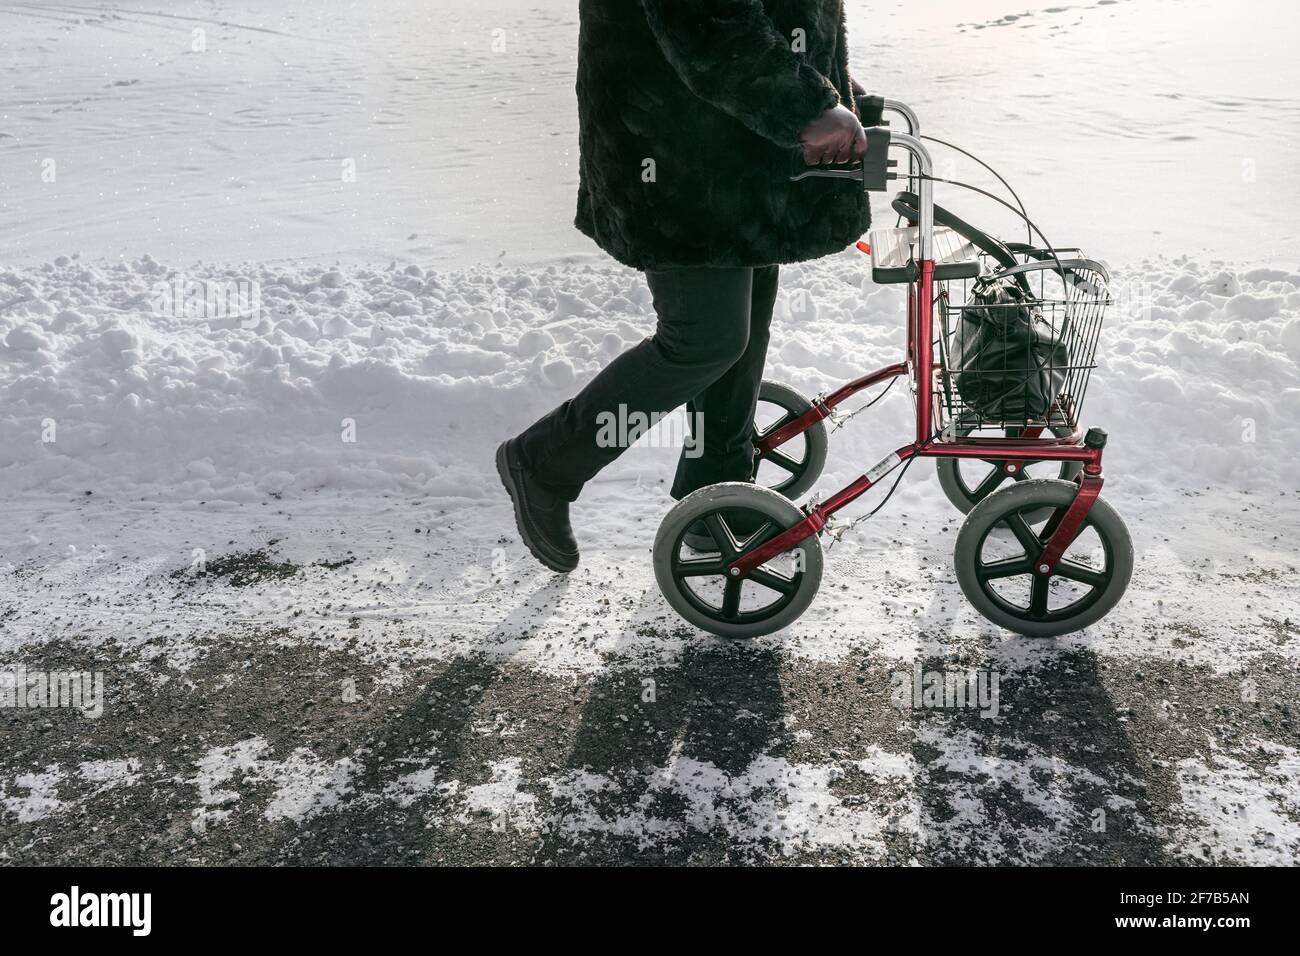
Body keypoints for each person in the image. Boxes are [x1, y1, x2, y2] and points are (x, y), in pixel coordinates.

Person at [497, 0, 875, 572]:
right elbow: (706, 21)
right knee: (705, 338)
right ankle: (545, 461)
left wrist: (843, 99)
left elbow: (783, 22)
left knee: (743, 330)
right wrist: (808, 107)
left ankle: (715, 487)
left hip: (739, 156)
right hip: (676, 156)